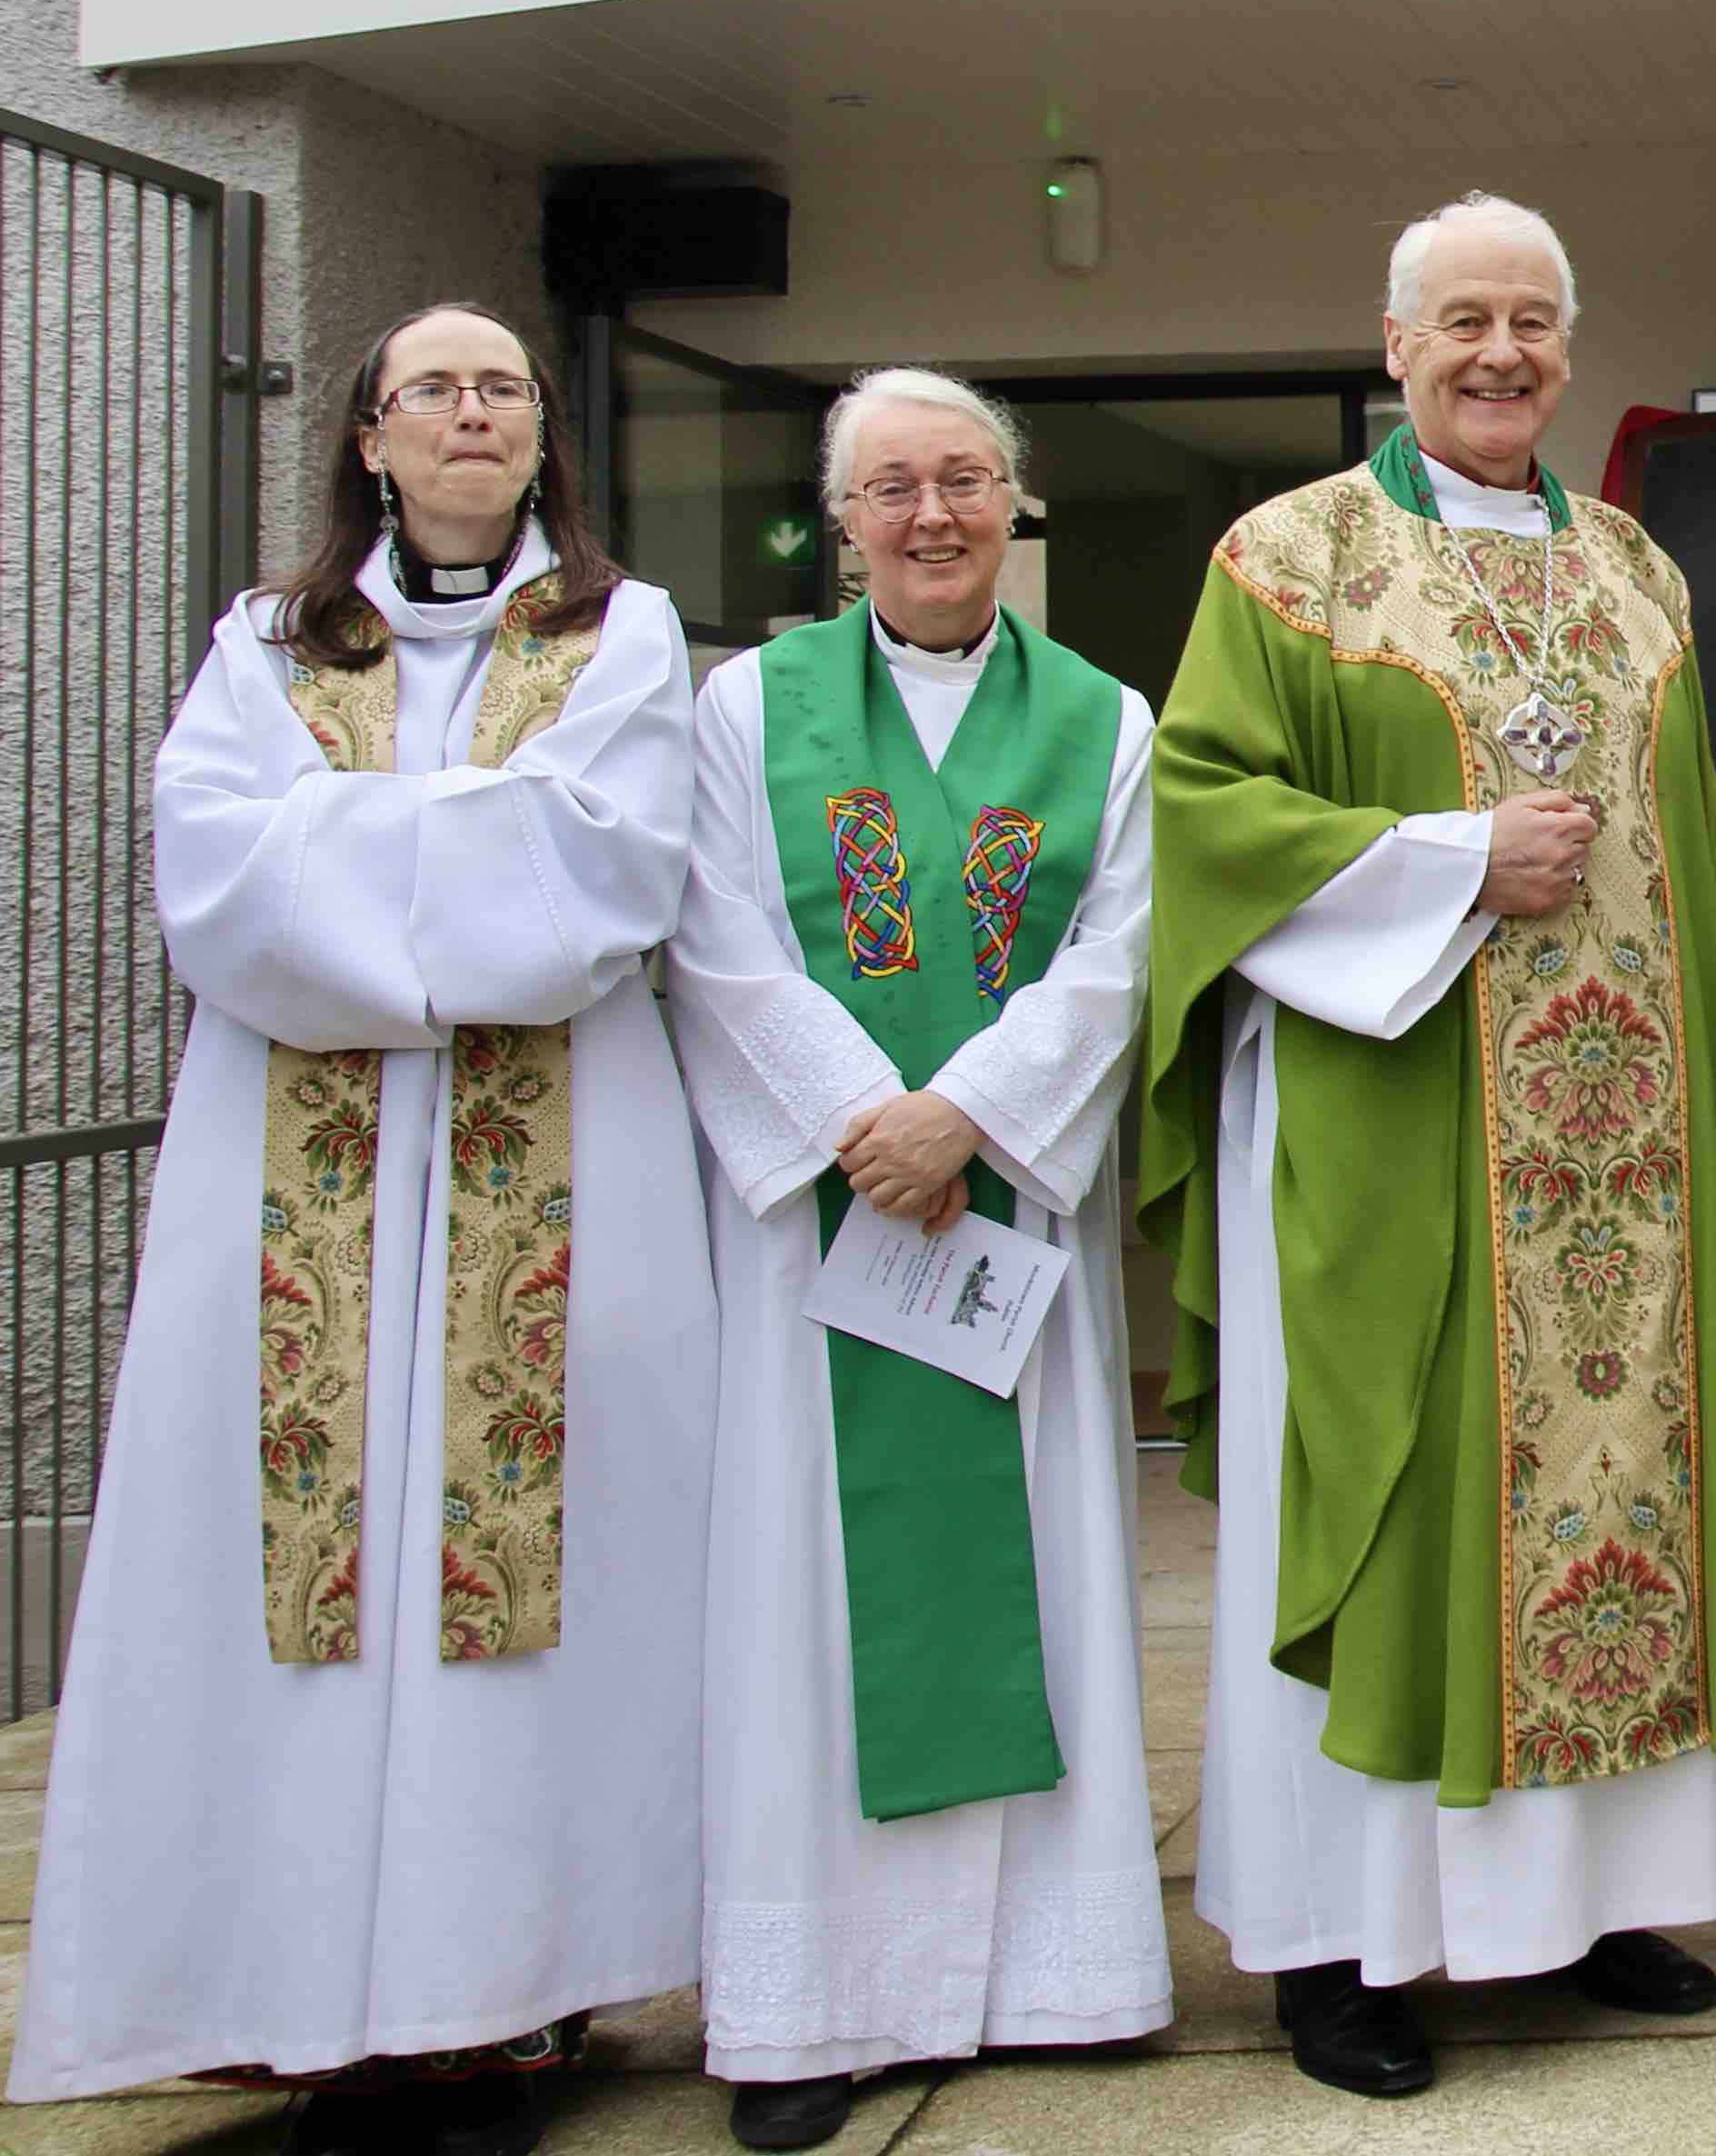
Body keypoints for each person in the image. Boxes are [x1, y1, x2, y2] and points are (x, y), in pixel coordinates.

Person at [8, 308, 712, 2155]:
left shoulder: (616, 631)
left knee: (522, 1591)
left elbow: (604, 875)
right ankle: (315, 1995)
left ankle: (511, 2006)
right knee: (320, 1578)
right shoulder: (268, 639)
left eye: (502, 390)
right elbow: (214, 877)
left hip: (555, 1177)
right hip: (294, 1198)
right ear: (371, 436)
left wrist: (352, 840)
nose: (470, 414)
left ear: (541, 436)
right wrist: (450, 852)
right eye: (434, 390)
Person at [1139, 191, 1716, 2099]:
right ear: (1395, 337)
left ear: (1570, 346)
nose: (1498, 353)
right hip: (1395, 1134)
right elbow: (1203, 812)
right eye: (1462, 322)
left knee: (1619, 1504)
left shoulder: (1634, 569)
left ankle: (1583, 1913)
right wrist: (1444, 859)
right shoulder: (1289, 559)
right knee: (1398, 1496)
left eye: (1530, 321)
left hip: (1626, 1163)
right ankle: (1343, 1948)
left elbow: (1699, 841)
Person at [663, 370, 1170, 2148]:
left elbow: (1121, 952)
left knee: (1032, 1568)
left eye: (964, 479)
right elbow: (714, 937)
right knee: (808, 1599)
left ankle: (1054, 1969)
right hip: (825, 1232)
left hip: (999, 1219)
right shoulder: (748, 708)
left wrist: (963, 1117)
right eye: (892, 486)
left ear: (1013, 501)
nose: (933, 513)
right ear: (842, 517)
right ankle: (811, 2002)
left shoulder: (1104, 717)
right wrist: (860, 1122)